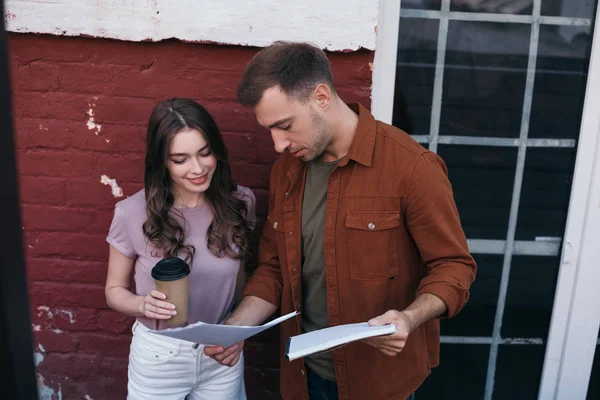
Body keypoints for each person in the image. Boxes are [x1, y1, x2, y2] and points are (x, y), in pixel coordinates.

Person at [205, 42, 477, 400]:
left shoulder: (412, 168)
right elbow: (274, 270)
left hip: (379, 383)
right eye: (269, 130)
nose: (278, 144)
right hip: (303, 378)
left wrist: (408, 318)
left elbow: (454, 267)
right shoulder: (286, 172)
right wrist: (235, 329)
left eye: (284, 125)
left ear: (320, 97)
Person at [104, 98, 255, 400]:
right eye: (180, 159)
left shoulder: (242, 203)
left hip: (221, 353)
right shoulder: (131, 212)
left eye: (205, 153)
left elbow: (241, 278)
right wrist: (141, 305)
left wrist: (236, 333)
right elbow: (113, 290)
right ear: (162, 161)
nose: (197, 168)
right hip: (160, 356)